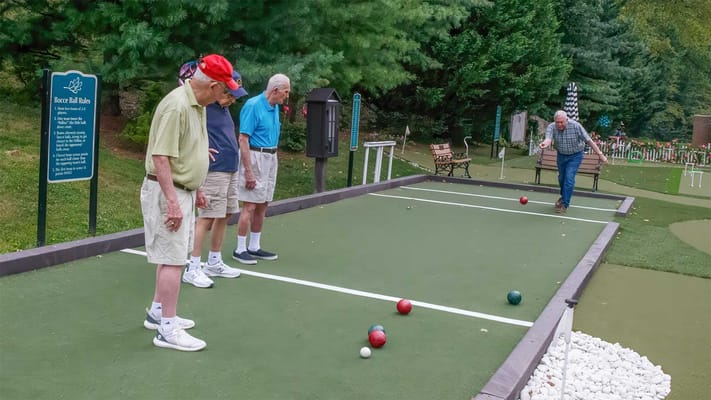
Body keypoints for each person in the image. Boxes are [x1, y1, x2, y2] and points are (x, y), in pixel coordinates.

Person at [141, 54, 239, 351]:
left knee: (172, 256)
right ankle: (167, 330)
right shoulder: (177, 105)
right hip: (168, 192)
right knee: (172, 261)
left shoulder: (197, 105)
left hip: (183, 190)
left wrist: (195, 186)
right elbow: (160, 157)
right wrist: (172, 201)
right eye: (224, 90)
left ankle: (158, 313)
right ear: (211, 85)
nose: (226, 96)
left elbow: (186, 147)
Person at [180, 65, 249, 288]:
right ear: (220, 90)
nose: (232, 100)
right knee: (207, 216)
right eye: (230, 95)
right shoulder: (205, 108)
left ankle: (214, 261)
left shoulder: (223, 109)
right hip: (214, 169)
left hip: (230, 168)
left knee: (226, 213)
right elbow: (191, 136)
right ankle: (193, 265)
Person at [232, 74, 291, 265]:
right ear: (275, 90)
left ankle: (254, 246)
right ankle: (240, 249)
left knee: (263, 203)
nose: (287, 96)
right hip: (255, 156)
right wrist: (248, 170)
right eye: (286, 91)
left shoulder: (274, 107)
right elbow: (243, 139)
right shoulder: (253, 105)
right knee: (249, 204)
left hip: (271, 157)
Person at [539, 110, 608, 214]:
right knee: (562, 178)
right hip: (561, 155)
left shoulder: (576, 126)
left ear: (566, 120)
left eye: (561, 122)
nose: (559, 124)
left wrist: (600, 154)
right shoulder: (551, 127)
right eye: (557, 122)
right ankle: (563, 197)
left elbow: (589, 140)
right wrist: (544, 143)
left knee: (569, 178)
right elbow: (548, 139)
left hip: (575, 156)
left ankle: (565, 204)